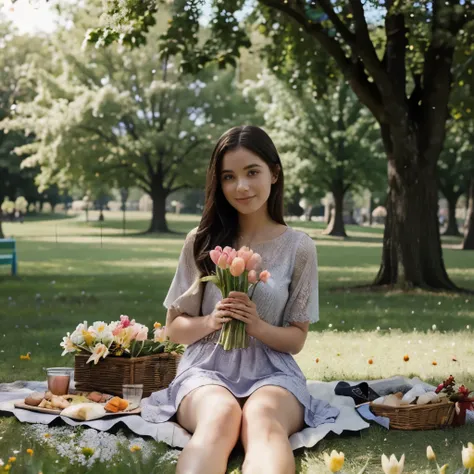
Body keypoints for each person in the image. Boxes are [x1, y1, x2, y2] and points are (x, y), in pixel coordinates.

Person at [141, 125, 339, 474]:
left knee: (261, 419)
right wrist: (212, 320)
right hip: (206, 369)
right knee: (220, 416)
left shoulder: (299, 247)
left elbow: (296, 338)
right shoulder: (200, 241)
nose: (241, 187)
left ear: (274, 173)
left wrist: (257, 325)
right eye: (229, 177)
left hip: (273, 372)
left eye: (252, 172)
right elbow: (174, 330)